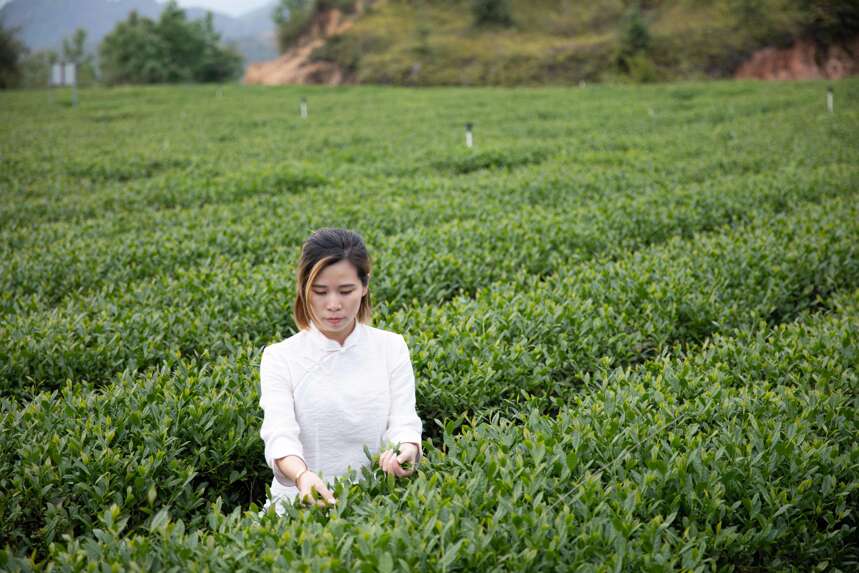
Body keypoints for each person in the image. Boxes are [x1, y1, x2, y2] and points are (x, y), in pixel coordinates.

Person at [258, 228, 423, 515]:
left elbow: (404, 421)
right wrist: (302, 477)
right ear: (304, 289)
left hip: (377, 505)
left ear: (364, 285)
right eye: (320, 292)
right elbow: (279, 436)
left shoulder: (391, 347)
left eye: (345, 291)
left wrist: (407, 449)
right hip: (298, 507)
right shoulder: (280, 357)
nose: (333, 304)